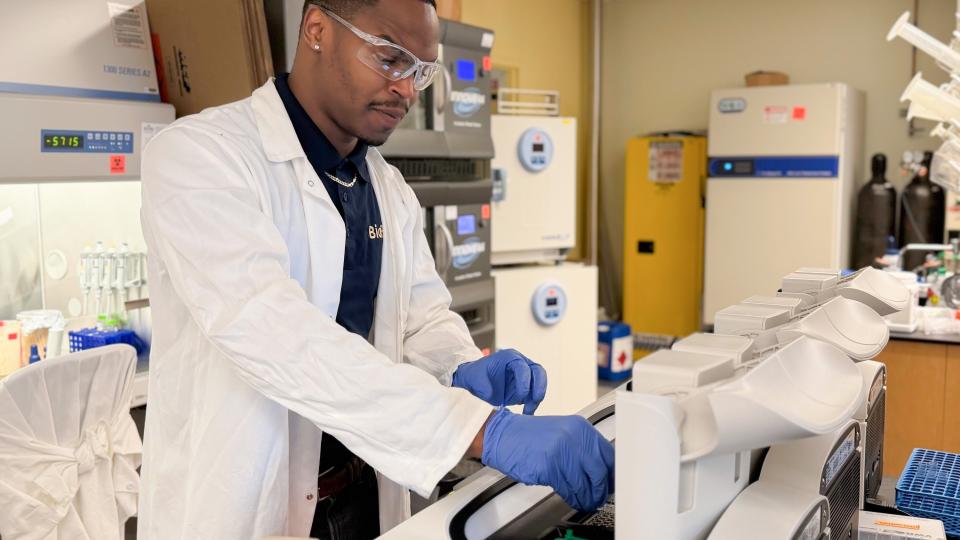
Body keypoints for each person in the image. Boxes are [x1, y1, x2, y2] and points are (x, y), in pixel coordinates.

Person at [136, 0, 614, 538]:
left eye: (421, 71)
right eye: (390, 59)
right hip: (242, 505)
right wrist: (484, 431)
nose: (407, 89)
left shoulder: (386, 187)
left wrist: (457, 367)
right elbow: (277, 334)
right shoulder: (200, 157)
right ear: (317, 29)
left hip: (364, 493)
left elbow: (419, 319)